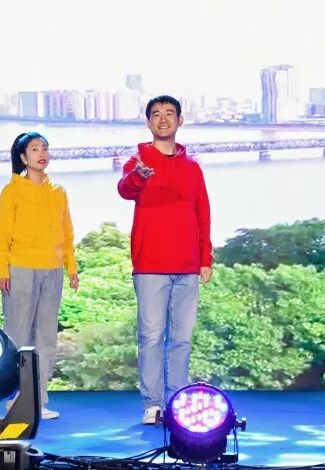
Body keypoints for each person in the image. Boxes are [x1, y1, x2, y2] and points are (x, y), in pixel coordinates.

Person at [117, 95, 212, 425]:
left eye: (169, 113)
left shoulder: (193, 168)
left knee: (182, 339)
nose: (163, 119)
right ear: (148, 123)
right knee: (152, 337)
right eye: (156, 114)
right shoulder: (137, 161)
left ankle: (177, 401)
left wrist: (205, 258)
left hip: (187, 266)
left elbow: (202, 214)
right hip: (150, 265)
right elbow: (125, 189)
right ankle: (153, 404)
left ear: (180, 121)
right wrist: (140, 175)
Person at [0, 131, 79, 420]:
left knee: (46, 338)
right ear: (23, 157)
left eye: (44, 148)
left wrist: (71, 266)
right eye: (34, 149)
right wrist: (2, 270)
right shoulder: (11, 191)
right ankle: (15, 400)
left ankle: (39, 400)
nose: (41, 154)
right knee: (18, 336)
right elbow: (2, 235)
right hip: (20, 268)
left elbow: (67, 233)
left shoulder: (59, 191)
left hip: (52, 270)